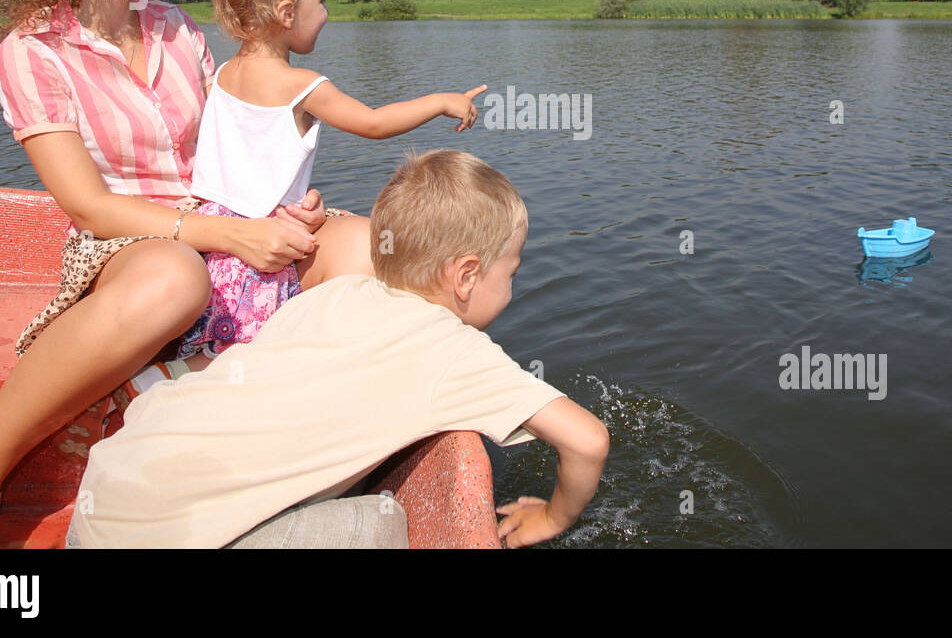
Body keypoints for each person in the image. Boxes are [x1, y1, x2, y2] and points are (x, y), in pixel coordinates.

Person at [0, 0, 369, 548]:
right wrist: (231, 237)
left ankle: (308, 429)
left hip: (228, 216)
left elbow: (233, 150)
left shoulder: (177, 29)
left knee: (371, 249)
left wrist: (283, 202)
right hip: (126, 242)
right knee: (172, 277)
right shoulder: (32, 49)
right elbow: (88, 207)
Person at [67, 150, 610, 548]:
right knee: (381, 524)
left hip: (107, 495)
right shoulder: (458, 352)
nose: (514, 284)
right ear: (466, 276)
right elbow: (587, 440)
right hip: (164, 541)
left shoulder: (332, 293)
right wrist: (552, 518)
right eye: (511, 271)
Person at [174, 0, 487, 361]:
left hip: (213, 243)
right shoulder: (302, 85)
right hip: (260, 249)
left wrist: (298, 203)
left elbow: (245, 166)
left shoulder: (224, 74)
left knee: (218, 349)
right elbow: (373, 123)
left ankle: (162, 380)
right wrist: (440, 101)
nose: (326, 13)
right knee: (247, 356)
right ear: (286, 13)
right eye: (320, 2)